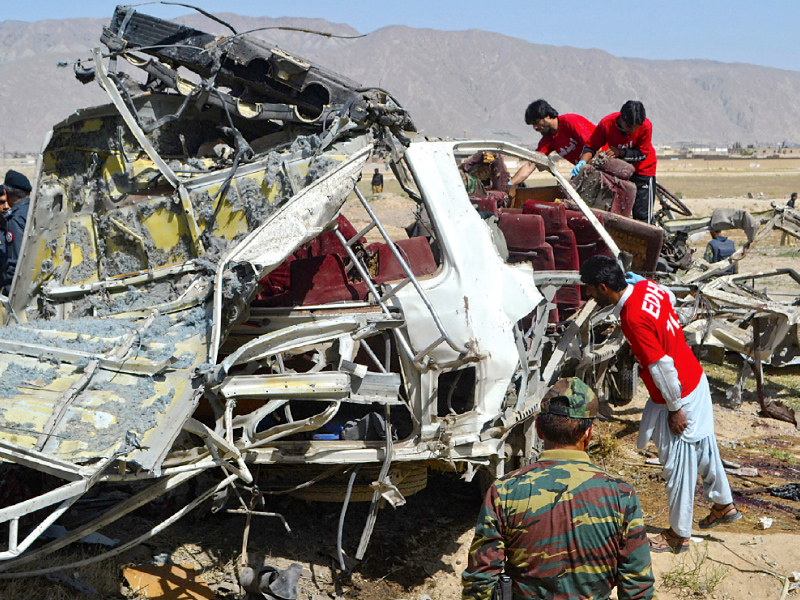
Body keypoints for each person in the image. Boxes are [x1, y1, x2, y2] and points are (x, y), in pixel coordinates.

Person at [579, 255, 741, 554]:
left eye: (589, 288)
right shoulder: (646, 287)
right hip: (694, 375)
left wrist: (675, 408)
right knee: (704, 445)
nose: (588, 294)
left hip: (679, 390)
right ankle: (723, 504)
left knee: (677, 464)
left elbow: (660, 366)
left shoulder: (631, 317)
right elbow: (665, 295)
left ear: (603, 287)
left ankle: (678, 535)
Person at [462, 378, 655, 600]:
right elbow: (638, 589)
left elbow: (480, 581)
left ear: (539, 430)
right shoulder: (622, 496)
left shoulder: (504, 491)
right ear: (588, 433)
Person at [577, 101, 657, 223]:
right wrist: (581, 163)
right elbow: (591, 146)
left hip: (643, 171)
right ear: (622, 119)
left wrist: (621, 153)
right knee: (615, 211)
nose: (633, 131)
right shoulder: (606, 124)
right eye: (630, 127)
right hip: (619, 173)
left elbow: (642, 154)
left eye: (636, 128)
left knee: (642, 216)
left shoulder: (646, 126)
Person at [508, 100, 596, 187]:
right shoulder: (547, 140)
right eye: (532, 125)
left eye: (536, 122)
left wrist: (582, 163)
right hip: (588, 171)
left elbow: (594, 146)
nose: (535, 128)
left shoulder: (570, 122)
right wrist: (510, 183)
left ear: (547, 116)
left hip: (603, 161)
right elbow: (531, 164)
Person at [1, 170, 32, 295]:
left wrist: (8, 290)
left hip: (20, 289)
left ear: (6, 193)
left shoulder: (15, 218)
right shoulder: (34, 211)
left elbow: (16, 261)